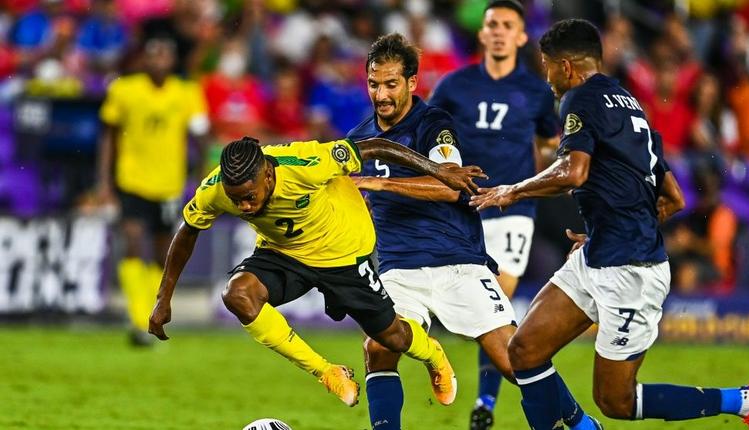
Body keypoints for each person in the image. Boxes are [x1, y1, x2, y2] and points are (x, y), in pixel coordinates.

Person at [471, 19, 749, 430]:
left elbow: (573, 172)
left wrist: (514, 191)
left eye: (547, 66)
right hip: (600, 252)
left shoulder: (579, 99)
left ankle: (745, 401)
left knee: (616, 400)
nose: (546, 79)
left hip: (632, 271)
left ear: (566, 67)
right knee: (524, 350)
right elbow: (673, 196)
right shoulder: (628, 103)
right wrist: (611, 227)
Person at [147, 135, 485, 407]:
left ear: (267, 174)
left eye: (249, 197)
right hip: (284, 253)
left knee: (391, 337)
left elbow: (375, 146)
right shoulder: (216, 189)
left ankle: (433, 354)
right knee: (238, 295)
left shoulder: (306, 162)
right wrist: (164, 298)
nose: (244, 206)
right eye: (237, 201)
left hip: (345, 251)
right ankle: (328, 373)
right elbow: (187, 231)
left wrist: (439, 170)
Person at [349, 33, 520, 430]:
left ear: (411, 83)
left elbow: (451, 185)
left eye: (391, 84)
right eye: (374, 84)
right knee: (378, 348)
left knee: (515, 362)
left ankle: (580, 423)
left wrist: (378, 183)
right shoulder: (357, 141)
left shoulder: (433, 124)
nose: (382, 94)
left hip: (456, 259)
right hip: (398, 267)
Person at [428, 2, 561, 427]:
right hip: (465, 207)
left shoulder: (538, 91)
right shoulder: (454, 86)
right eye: (493, 25)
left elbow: (549, 143)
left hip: (514, 208)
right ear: (482, 34)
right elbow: (430, 135)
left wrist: (526, 182)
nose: (500, 32)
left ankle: (485, 403)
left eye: (508, 26)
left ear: (522, 37)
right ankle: (502, 397)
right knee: (478, 306)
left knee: (497, 296)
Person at [96, 37, 209, 345]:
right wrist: (104, 182)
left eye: (164, 55)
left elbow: (200, 137)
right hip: (131, 181)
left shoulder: (187, 93)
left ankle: (150, 314)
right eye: (153, 55)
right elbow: (108, 136)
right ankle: (137, 318)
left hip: (168, 186)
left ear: (172, 61)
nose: (158, 61)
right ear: (144, 60)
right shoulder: (124, 89)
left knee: (162, 254)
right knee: (132, 242)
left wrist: (202, 182)